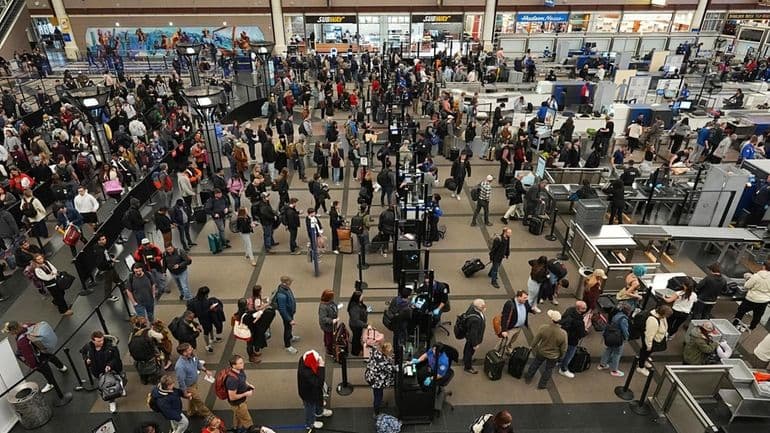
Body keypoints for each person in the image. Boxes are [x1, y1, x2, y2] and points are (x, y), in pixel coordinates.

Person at [3, 321, 68, 393]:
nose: (9, 333)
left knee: (46, 371)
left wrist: (33, 365)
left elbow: (29, 356)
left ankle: (51, 383)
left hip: (38, 356)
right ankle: (61, 367)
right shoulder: (27, 325)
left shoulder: (21, 341)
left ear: (13, 330)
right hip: (43, 347)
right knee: (51, 357)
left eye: (9, 331)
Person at [523, 310, 567, 389]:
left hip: (542, 351)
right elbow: (563, 348)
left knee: (535, 364)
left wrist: (531, 346)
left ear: (551, 319)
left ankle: (528, 377)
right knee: (548, 370)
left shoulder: (544, 328)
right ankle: (542, 385)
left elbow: (536, 339)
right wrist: (561, 356)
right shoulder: (563, 333)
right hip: (554, 356)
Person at [82, 331, 123, 412]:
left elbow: (116, 358)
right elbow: (83, 352)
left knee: (119, 379)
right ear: (93, 341)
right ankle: (112, 401)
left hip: (112, 370)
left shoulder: (110, 346)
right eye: (99, 341)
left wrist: (110, 365)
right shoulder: (88, 346)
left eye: (102, 340)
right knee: (106, 386)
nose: (101, 342)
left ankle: (121, 388)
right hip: (97, 371)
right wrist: (87, 359)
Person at [174, 342, 213, 418]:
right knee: (198, 400)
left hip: (194, 383)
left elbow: (198, 364)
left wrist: (206, 370)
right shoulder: (180, 366)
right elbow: (181, 381)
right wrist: (185, 393)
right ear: (184, 353)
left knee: (192, 399)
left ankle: (191, 412)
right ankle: (208, 415)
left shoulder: (192, 356)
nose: (192, 349)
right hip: (188, 386)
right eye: (189, 349)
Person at [297, 350, 333, 430]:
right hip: (308, 395)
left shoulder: (303, 360)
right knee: (310, 408)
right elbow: (319, 382)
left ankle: (319, 412)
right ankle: (310, 423)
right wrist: (321, 367)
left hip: (314, 391)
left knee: (318, 400)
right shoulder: (307, 373)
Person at [597, 302, 632, 377]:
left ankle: (602, 364)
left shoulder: (616, 315)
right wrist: (626, 338)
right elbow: (625, 330)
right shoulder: (624, 319)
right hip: (618, 338)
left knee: (608, 350)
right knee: (617, 353)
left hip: (610, 336)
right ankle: (614, 370)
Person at [733, 260, 770, 330]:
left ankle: (734, 323)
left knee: (741, 311)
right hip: (764, 301)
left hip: (751, 298)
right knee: (757, 316)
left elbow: (747, 286)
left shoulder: (756, 276)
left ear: (764, 267)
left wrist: (748, 279)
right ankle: (751, 327)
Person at [637, 305, 673, 377]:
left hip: (655, 339)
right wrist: (649, 345)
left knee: (647, 353)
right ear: (663, 314)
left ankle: (644, 360)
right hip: (650, 340)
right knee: (645, 352)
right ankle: (641, 366)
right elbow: (649, 335)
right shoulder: (653, 321)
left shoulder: (661, 317)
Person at [187, 286, 224, 352]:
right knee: (206, 331)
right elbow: (201, 314)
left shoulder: (198, 299)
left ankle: (212, 338)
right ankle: (207, 345)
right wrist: (210, 309)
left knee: (210, 328)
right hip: (204, 320)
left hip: (208, 318)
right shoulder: (198, 303)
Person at [557, 301, 588, 379]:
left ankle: (557, 361)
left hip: (563, 335)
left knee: (560, 350)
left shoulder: (569, 311)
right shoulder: (579, 321)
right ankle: (563, 369)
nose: (585, 309)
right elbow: (581, 334)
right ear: (579, 309)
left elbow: (562, 319)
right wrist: (585, 331)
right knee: (569, 354)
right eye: (583, 308)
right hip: (572, 340)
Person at [364, 342, 396, 415]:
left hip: (371, 375)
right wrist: (405, 365)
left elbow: (374, 346)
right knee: (378, 396)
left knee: (377, 393)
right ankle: (376, 412)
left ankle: (379, 402)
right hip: (377, 381)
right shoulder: (383, 362)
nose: (392, 353)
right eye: (390, 352)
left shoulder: (376, 350)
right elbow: (392, 369)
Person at [225, 354, 255, 429]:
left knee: (238, 416)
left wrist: (248, 385)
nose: (243, 364)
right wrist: (246, 393)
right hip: (238, 404)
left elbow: (243, 380)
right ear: (234, 366)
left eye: (242, 362)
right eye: (240, 363)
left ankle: (236, 428)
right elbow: (232, 397)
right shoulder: (232, 380)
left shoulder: (240, 370)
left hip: (241, 401)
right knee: (247, 421)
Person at [498, 290, 532, 357]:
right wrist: (504, 330)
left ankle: (508, 348)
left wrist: (532, 310)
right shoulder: (510, 304)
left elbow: (528, 308)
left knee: (512, 340)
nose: (526, 299)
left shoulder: (525, 302)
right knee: (503, 343)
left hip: (519, 327)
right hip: (511, 328)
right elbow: (504, 317)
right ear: (519, 297)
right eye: (524, 298)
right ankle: (496, 354)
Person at [275, 276, 300, 354]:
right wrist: (289, 319)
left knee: (289, 327)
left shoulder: (286, 288)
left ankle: (291, 337)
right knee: (287, 328)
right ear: (285, 283)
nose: (291, 283)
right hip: (287, 315)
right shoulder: (281, 295)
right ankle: (287, 345)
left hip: (290, 312)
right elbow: (282, 309)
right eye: (290, 282)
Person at [93, 234, 122, 302]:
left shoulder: (100, 247)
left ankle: (123, 287)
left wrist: (111, 260)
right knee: (108, 282)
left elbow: (105, 256)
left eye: (104, 238)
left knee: (116, 277)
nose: (105, 240)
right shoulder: (99, 251)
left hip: (109, 267)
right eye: (102, 239)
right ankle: (108, 296)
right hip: (107, 269)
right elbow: (100, 262)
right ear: (98, 241)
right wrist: (109, 264)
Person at [462, 299, 486, 374]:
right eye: (483, 305)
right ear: (479, 307)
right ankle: (468, 367)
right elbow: (474, 334)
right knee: (470, 351)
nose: (485, 306)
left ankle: (465, 359)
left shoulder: (472, 308)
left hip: (468, 335)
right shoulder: (475, 320)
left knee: (467, 348)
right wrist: (475, 344)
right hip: (472, 338)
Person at [318, 289, 339, 356]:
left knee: (327, 335)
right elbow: (323, 318)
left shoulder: (331, 302)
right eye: (332, 297)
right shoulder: (323, 307)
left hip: (332, 323)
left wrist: (337, 308)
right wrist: (332, 321)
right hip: (327, 326)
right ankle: (329, 350)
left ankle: (326, 343)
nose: (333, 298)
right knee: (329, 337)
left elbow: (334, 306)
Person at [347, 290, 368, 356]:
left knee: (357, 336)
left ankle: (358, 346)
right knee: (356, 337)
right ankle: (355, 351)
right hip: (356, 326)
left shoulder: (358, 303)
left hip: (358, 325)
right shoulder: (354, 308)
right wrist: (366, 325)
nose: (362, 296)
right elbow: (356, 321)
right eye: (361, 296)